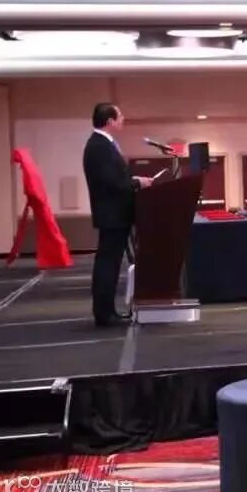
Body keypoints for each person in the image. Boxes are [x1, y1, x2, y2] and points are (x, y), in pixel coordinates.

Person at [83, 103, 153, 326]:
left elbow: (115, 177)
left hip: (115, 214)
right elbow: (111, 182)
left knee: (111, 264)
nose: (123, 119)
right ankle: (104, 313)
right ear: (110, 121)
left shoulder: (104, 144)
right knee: (107, 264)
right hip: (111, 215)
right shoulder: (99, 146)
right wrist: (137, 183)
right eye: (120, 116)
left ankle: (108, 311)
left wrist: (133, 180)